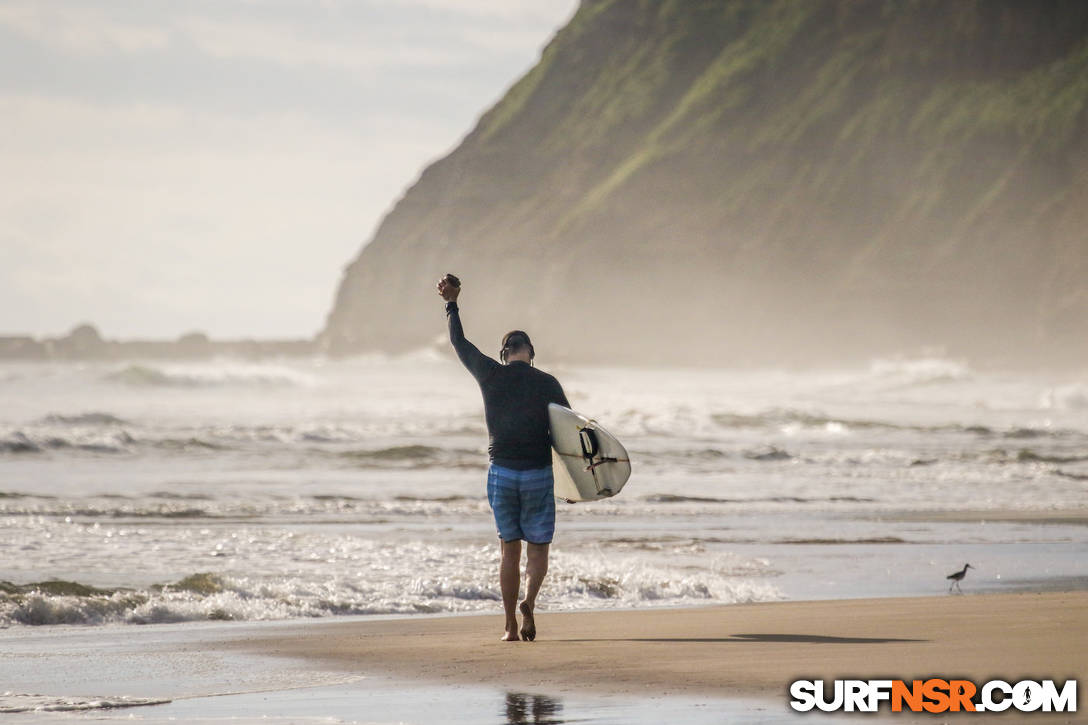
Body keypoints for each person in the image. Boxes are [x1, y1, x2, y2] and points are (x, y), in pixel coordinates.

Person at [436, 273, 569, 642]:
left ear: (503, 354)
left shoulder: (489, 374)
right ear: (531, 354)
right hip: (539, 475)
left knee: (508, 550)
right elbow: (569, 434)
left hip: (502, 474)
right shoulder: (547, 382)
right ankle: (529, 602)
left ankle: (510, 626)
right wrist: (577, 482)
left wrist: (452, 303)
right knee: (538, 549)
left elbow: (458, 341)